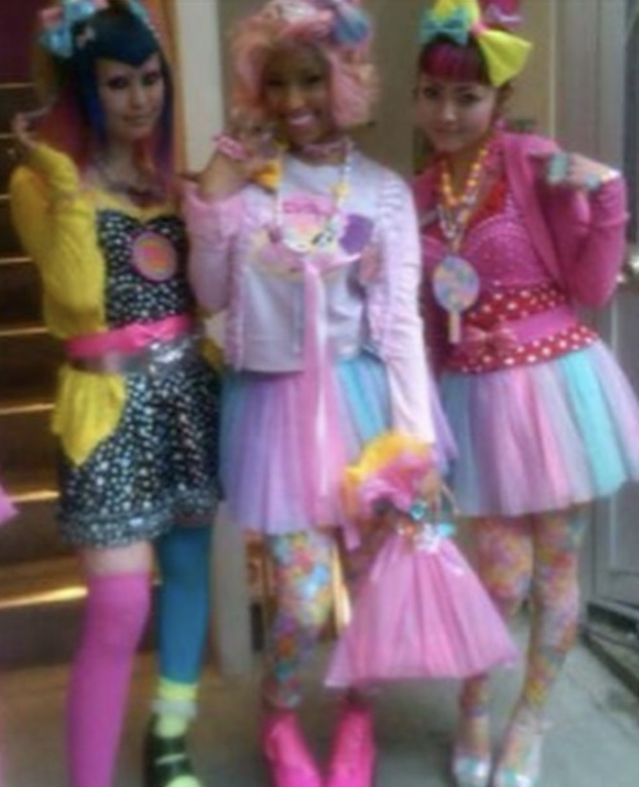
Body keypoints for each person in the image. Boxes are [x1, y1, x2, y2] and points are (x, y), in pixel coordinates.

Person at [184, 1, 448, 785]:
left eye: (311, 79)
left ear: (342, 82)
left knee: (368, 589)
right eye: (278, 83)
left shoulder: (380, 191)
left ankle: (359, 717)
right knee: (299, 601)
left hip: (365, 407)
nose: (295, 100)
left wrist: (416, 442)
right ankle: (278, 713)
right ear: (256, 88)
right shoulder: (243, 180)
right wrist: (214, 195)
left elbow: (399, 320)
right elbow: (206, 293)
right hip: (275, 410)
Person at [412, 1, 639, 786]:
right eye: (433, 94)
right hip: (474, 401)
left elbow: (587, 283)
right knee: (497, 578)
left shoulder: (529, 162)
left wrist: (606, 199)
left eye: (467, 97)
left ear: (497, 103)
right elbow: (426, 322)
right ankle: (474, 701)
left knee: (553, 575)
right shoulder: (412, 197)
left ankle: (529, 719)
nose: (447, 112)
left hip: (557, 393)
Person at [10, 2, 220, 786]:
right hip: (107, 411)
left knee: (192, 571)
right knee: (121, 604)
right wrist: (63, 182)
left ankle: (169, 734)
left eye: (150, 79)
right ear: (85, 88)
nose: (141, 98)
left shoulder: (169, 180)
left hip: (187, 400)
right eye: (119, 82)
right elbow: (71, 290)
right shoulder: (41, 184)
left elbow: (207, 290)